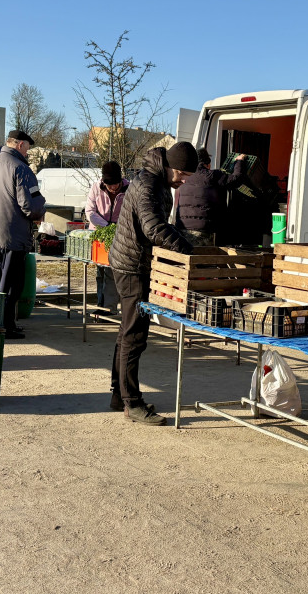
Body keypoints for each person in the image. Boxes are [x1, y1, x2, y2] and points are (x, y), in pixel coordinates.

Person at [108, 143, 197, 425]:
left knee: (127, 332)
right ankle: (132, 403)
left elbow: (159, 225)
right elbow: (153, 228)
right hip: (132, 266)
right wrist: (188, 251)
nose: (183, 180)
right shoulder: (147, 184)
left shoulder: (157, 182)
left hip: (134, 262)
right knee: (134, 336)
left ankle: (119, 395)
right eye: (182, 173)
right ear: (169, 165)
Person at [0, 130, 46, 339]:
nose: (28, 152)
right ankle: (5, 326)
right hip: (14, 233)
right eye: (27, 147)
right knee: (12, 284)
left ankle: (1, 322)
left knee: (0, 282)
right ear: (20, 145)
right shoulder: (21, 169)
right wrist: (39, 213)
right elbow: (30, 204)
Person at [173, 148, 250, 246]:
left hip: (182, 230)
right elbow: (237, 179)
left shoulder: (185, 178)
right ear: (207, 164)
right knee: (206, 258)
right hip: (205, 231)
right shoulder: (212, 175)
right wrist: (239, 161)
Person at [86, 160, 129, 312]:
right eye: (109, 184)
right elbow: (90, 212)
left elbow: (130, 212)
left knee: (111, 272)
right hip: (100, 234)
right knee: (101, 272)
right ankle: (101, 305)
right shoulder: (96, 188)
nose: (113, 187)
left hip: (120, 235)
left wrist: (119, 228)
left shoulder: (128, 188)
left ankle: (109, 308)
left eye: (115, 184)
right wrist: (106, 227)